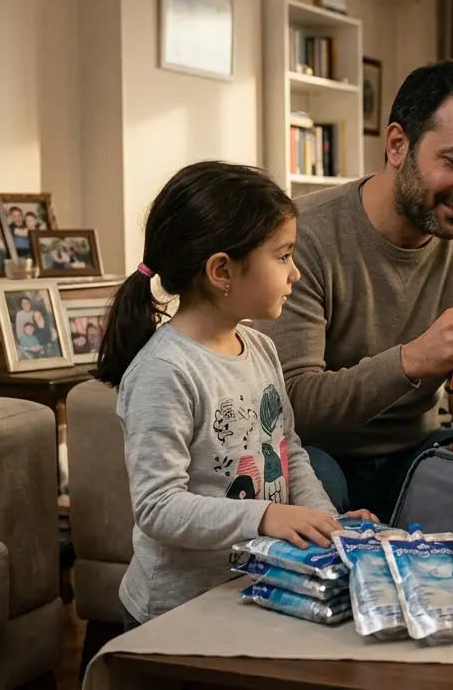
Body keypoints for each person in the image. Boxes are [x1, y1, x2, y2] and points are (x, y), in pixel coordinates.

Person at [256, 60, 453, 521]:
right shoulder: (302, 235)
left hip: (418, 453)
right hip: (315, 453)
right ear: (397, 145)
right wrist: (411, 361)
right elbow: (293, 404)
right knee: (312, 474)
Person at [96, 160, 376, 630]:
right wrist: (266, 516)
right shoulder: (164, 371)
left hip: (249, 590)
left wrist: (326, 524)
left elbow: (288, 449)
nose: (296, 274)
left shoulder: (261, 348)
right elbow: (157, 507)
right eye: (283, 256)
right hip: (176, 614)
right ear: (222, 270)